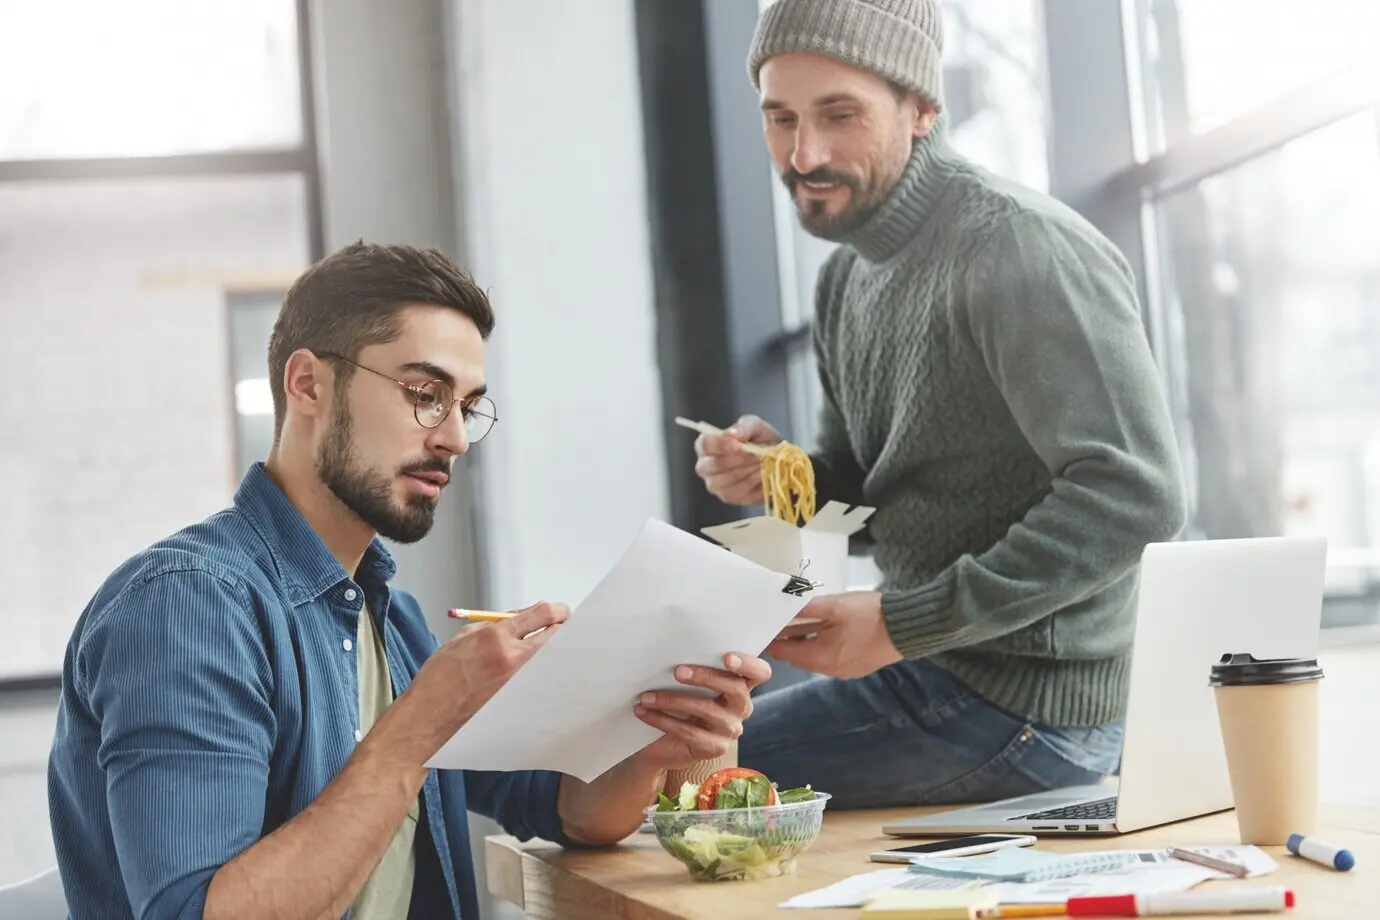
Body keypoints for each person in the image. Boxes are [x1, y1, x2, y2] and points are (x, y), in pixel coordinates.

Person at [48, 242, 771, 920]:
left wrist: (651, 734)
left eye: (467, 405)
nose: (453, 436)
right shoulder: (186, 605)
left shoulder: (392, 621)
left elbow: (559, 808)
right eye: (425, 393)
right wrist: (420, 725)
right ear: (309, 384)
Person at [693, 0, 1187, 810]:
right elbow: (871, 491)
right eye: (779, 118)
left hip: (1028, 710)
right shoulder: (846, 278)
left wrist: (897, 624)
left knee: (643, 768)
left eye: (839, 115)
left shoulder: (1019, 247)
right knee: (647, 741)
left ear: (923, 109)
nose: (803, 153)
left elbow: (1136, 494)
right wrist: (779, 474)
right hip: (936, 670)